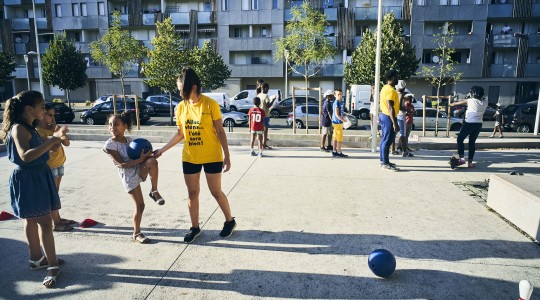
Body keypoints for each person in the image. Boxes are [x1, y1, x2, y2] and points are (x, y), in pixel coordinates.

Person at [155, 67, 236, 244]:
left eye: (180, 88)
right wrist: (161, 150)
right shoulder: (181, 107)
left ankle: (230, 221)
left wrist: (227, 156)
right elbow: (180, 134)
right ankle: (194, 227)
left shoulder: (210, 104)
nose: (178, 92)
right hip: (190, 156)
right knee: (192, 193)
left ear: (192, 87)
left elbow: (221, 132)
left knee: (215, 192)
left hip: (212, 155)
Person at [1, 90, 69, 288]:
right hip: (29, 178)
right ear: (28, 109)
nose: (44, 108)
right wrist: (52, 141)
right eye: (41, 105)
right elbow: (26, 155)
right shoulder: (18, 129)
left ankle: (36, 259)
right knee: (45, 224)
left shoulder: (30, 127)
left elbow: (43, 151)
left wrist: (56, 141)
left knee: (31, 218)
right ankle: (52, 266)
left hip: (36, 176)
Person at [103, 112, 164, 244]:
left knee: (152, 161)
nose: (112, 127)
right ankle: (136, 233)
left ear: (125, 126)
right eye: (110, 124)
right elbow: (121, 164)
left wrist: (151, 154)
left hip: (138, 169)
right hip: (128, 177)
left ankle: (154, 191)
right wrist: (141, 159)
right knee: (140, 205)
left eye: (116, 124)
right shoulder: (110, 145)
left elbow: (142, 157)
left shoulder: (130, 141)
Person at [35, 103, 77, 232]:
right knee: (52, 195)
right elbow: (55, 147)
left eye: (54, 115)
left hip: (59, 164)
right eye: (50, 115)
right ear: (41, 116)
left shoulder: (53, 129)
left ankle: (58, 218)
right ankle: (56, 223)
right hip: (49, 167)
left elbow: (67, 143)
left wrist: (59, 132)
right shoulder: (39, 132)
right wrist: (57, 133)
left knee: (56, 194)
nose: (53, 118)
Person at [449, 86, 488, 168]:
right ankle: (470, 163)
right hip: (478, 124)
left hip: (469, 123)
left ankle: (462, 158)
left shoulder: (470, 100)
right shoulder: (485, 102)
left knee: (460, 139)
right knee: (472, 142)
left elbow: (460, 102)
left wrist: (452, 104)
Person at [379, 69, 400, 170]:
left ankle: (383, 160)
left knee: (384, 139)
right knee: (387, 140)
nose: (398, 78)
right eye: (396, 76)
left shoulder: (384, 88)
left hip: (384, 115)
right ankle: (385, 162)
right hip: (388, 117)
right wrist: (394, 122)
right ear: (392, 77)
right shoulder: (391, 91)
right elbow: (390, 107)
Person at [258, 83, 276, 149]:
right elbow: (268, 105)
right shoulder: (266, 96)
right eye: (268, 88)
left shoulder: (259, 95)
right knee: (265, 130)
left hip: (259, 114)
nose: (268, 90)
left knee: (260, 130)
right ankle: (264, 144)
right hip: (265, 114)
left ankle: (260, 144)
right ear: (265, 88)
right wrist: (273, 100)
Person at [331, 88, 348, 158]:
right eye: (338, 94)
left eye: (341, 94)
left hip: (336, 122)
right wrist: (344, 121)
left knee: (335, 137)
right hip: (338, 123)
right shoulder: (336, 103)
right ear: (335, 95)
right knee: (339, 138)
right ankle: (339, 152)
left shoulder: (340, 102)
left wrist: (344, 114)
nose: (340, 96)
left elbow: (340, 112)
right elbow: (337, 114)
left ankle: (334, 151)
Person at [394, 80, 407, 155]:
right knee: (403, 134)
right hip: (401, 115)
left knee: (395, 133)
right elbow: (400, 107)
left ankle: (394, 149)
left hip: (396, 115)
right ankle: (404, 151)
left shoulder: (395, 93)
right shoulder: (401, 94)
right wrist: (407, 109)